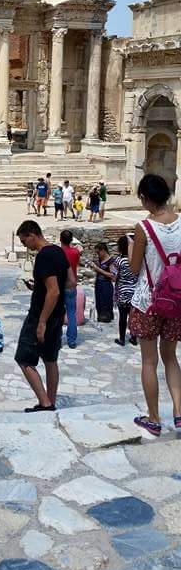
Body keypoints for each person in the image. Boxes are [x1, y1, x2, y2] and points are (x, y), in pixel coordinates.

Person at [129, 173, 181, 436]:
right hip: (176, 301)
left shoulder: (143, 227)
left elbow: (135, 267)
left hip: (148, 301)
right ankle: (179, 412)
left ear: (146, 198)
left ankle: (153, 417)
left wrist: (131, 249)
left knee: (149, 362)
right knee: (171, 357)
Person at [15, 220, 73, 411]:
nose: (26, 246)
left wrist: (41, 321)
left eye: (25, 242)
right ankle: (52, 400)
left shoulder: (44, 256)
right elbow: (71, 281)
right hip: (58, 313)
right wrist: (40, 286)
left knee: (24, 357)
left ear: (32, 234)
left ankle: (44, 402)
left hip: (42, 314)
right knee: (50, 359)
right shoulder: (58, 251)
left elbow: (53, 291)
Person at [112, 235, 138, 347]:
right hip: (134, 291)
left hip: (123, 292)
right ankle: (133, 337)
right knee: (133, 316)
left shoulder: (119, 260)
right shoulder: (137, 260)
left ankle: (122, 339)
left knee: (123, 316)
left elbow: (114, 276)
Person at [60, 229, 80, 348]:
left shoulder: (58, 252)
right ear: (71, 240)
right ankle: (71, 340)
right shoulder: (75, 252)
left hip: (60, 285)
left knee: (58, 314)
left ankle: (57, 339)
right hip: (71, 285)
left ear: (60, 239)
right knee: (72, 313)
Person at [92, 242, 114, 322]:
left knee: (106, 302)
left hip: (106, 285)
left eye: (98, 252)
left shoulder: (111, 261)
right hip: (99, 284)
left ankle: (106, 317)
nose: (98, 255)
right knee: (99, 302)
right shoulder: (100, 260)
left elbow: (112, 276)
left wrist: (98, 269)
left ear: (103, 250)